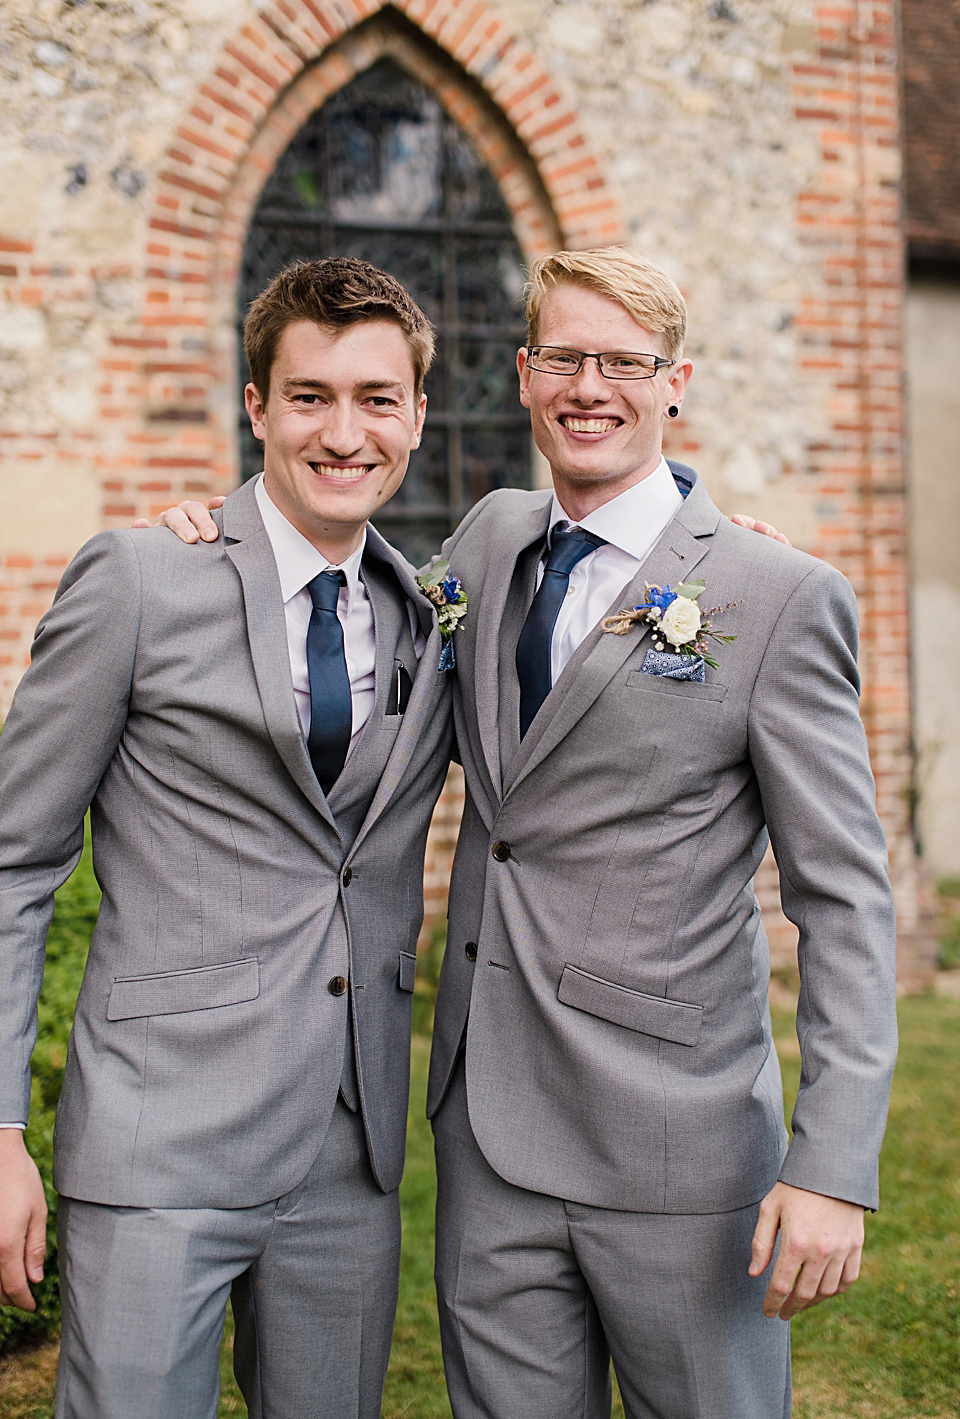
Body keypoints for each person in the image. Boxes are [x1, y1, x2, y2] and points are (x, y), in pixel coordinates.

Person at [424, 247, 897, 1418]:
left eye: (623, 362)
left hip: (677, 1140)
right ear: (526, 377)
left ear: (673, 381)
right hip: (485, 1131)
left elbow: (841, 895)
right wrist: (220, 533)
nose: (592, 386)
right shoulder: (484, 543)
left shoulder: (774, 594)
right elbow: (355, 622)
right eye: (564, 358)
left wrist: (832, 1165)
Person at [0, 257, 454, 1419]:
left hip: (347, 1160)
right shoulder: (143, 578)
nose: (343, 432)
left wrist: (715, 540)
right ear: (255, 407)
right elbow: (13, 863)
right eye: (308, 396)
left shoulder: (431, 611)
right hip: (162, 1140)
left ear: (416, 415)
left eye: (376, 399)